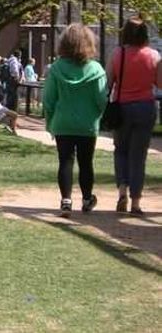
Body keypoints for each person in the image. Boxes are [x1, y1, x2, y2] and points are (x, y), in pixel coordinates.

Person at [43, 24, 106, 218]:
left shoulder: (56, 68)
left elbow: (49, 99)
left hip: (63, 123)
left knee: (65, 161)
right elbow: (101, 100)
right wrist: (98, 117)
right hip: (87, 124)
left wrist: (50, 121)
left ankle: (66, 200)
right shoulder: (96, 69)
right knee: (86, 162)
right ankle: (87, 199)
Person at [107, 17, 161, 216]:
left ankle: (122, 191)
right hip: (146, 107)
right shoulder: (154, 55)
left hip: (122, 107)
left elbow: (109, 82)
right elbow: (160, 83)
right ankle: (136, 202)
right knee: (139, 155)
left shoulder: (118, 54)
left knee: (120, 150)